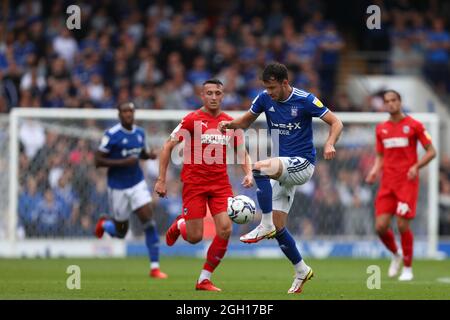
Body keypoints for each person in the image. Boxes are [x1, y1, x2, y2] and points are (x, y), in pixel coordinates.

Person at [218, 62, 343, 294]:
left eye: (273, 87)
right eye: (266, 87)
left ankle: (263, 225)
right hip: (283, 166)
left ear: (285, 83)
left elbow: (336, 122)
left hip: (303, 164)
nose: (269, 92)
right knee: (279, 227)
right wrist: (229, 125)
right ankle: (301, 270)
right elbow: (244, 122)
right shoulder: (264, 99)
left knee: (258, 168)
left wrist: (329, 142)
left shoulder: (305, 100)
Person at [155, 79, 253, 292]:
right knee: (194, 237)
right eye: (209, 93)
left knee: (226, 229)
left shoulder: (229, 122)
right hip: (194, 184)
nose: (214, 97)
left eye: (218, 93)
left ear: (223, 96)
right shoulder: (192, 120)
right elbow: (167, 146)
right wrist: (161, 179)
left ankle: (204, 279)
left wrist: (248, 172)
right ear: (202, 95)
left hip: (220, 184)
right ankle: (180, 225)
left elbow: (241, 152)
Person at [365, 90, 436, 281]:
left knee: (402, 224)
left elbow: (431, 151)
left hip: (407, 182)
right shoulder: (381, 129)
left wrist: (416, 166)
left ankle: (407, 268)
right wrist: (374, 170)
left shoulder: (414, 125)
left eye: (393, 100)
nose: (390, 104)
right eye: (387, 101)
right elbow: (380, 155)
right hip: (387, 182)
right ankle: (395, 254)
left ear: (400, 102)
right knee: (380, 226)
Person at [94, 102, 168, 279]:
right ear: (119, 115)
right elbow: (98, 161)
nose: (128, 114)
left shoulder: (140, 133)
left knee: (148, 221)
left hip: (137, 184)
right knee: (121, 232)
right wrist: (122, 163)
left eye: (131, 111)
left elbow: (140, 153)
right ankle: (105, 224)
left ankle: (155, 267)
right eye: (125, 111)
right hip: (118, 187)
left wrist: (148, 155)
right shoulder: (112, 135)